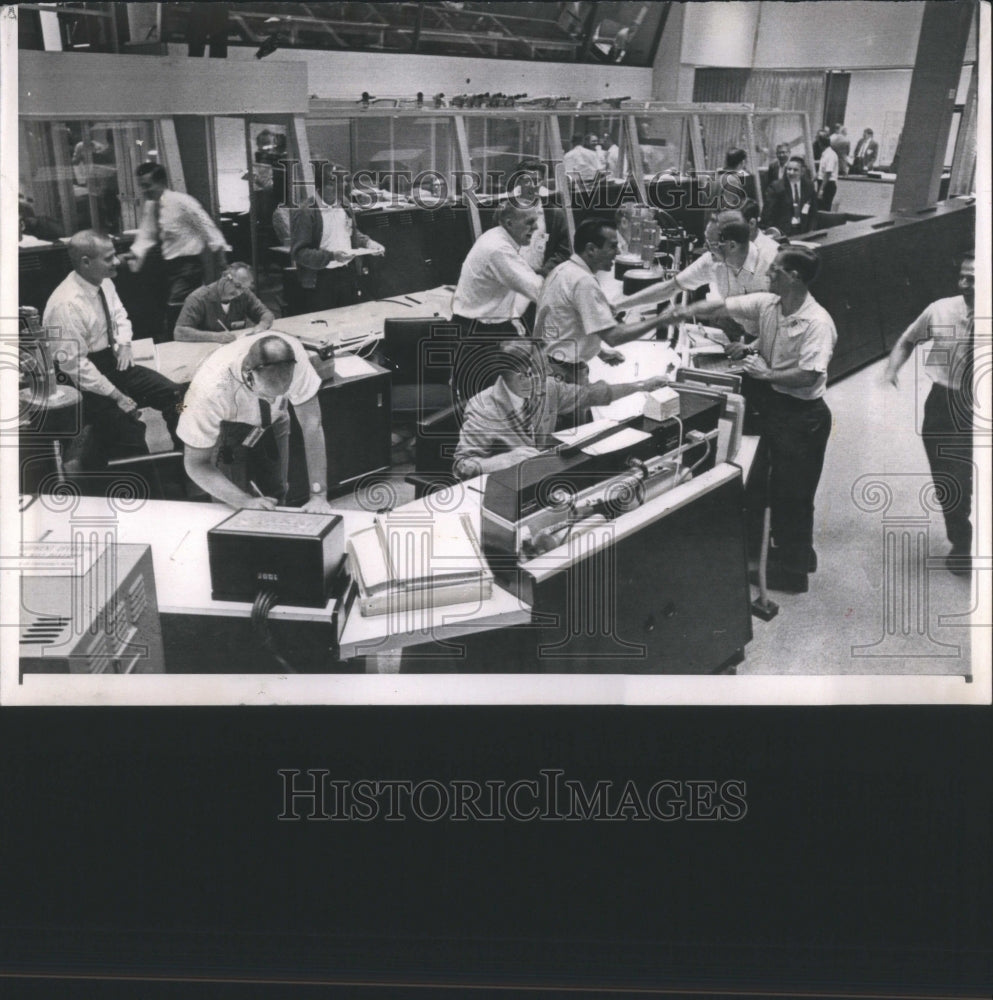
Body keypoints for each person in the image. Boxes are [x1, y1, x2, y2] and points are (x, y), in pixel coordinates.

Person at [661, 246, 837, 593]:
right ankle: (784, 552)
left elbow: (809, 376)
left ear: (793, 277)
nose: (768, 274)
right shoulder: (772, 304)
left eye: (775, 271)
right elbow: (721, 306)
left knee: (794, 495)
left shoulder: (817, 322)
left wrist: (767, 372)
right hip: (776, 406)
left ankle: (793, 571)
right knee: (769, 484)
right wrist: (678, 314)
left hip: (803, 416)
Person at [42, 230, 184, 468]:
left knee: (179, 397)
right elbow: (75, 365)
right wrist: (117, 396)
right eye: (109, 258)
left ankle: (186, 463)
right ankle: (142, 486)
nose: (117, 261)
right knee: (130, 429)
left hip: (111, 360)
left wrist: (125, 343)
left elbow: (119, 315)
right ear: (86, 262)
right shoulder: (65, 304)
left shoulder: (104, 282)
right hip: (80, 380)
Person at [453, 339, 668, 479]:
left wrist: (644, 385)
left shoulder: (547, 388)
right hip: (503, 488)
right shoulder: (483, 409)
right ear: (524, 376)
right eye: (543, 370)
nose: (549, 375)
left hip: (543, 477)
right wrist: (498, 462)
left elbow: (595, 394)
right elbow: (461, 466)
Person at [884, 253, 975, 576]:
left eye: (973, 279)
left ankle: (968, 538)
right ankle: (962, 536)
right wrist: (893, 367)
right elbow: (908, 340)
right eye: (962, 276)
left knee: (964, 478)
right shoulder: (940, 308)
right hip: (942, 403)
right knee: (948, 479)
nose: (963, 284)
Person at [176, 332, 333, 511]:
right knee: (232, 507)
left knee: (276, 492)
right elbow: (195, 464)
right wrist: (244, 501)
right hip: (227, 427)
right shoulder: (210, 388)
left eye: (283, 392)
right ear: (247, 375)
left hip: (273, 421)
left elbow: (312, 425)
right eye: (267, 394)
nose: (273, 401)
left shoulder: (295, 356)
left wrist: (318, 494)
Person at [534, 218, 687, 380]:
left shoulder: (564, 270)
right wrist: (662, 320)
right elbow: (614, 337)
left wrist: (599, 352)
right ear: (591, 249)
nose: (618, 252)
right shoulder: (583, 281)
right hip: (565, 373)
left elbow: (568, 325)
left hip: (551, 365)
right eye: (613, 246)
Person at [615, 216, 773, 341]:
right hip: (750, 333)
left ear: (731, 246)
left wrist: (751, 348)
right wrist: (617, 306)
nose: (706, 248)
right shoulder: (712, 260)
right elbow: (670, 287)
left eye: (711, 244)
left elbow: (785, 321)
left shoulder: (771, 263)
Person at [450, 202, 544, 402]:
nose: (535, 228)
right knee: (482, 405)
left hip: (489, 328)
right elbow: (538, 290)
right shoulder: (498, 249)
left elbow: (526, 285)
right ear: (510, 223)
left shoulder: (498, 238)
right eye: (530, 222)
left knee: (509, 401)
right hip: (478, 336)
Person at [127, 162, 229, 338]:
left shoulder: (183, 202)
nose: (144, 191)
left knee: (178, 307)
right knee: (168, 307)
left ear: (161, 182)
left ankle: (181, 340)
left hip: (188, 267)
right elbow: (147, 233)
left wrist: (221, 259)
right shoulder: (152, 206)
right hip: (167, 266)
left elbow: (207, 228)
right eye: (141, 186)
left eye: (147, 185)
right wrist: (134, 253)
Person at [287, 163, 385, 314]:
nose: (345, 185)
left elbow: (351, 232)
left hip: (347, 275)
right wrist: (332, 256)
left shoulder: (344, 205)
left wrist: (368, 243)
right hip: (321, 280)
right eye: (339, 181)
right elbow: (299, 253)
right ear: (326, 186)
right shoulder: (306, 212)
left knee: (350, 321)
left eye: (345, 181)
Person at [173, 262, 274, 343]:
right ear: (225, 277)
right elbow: (179, 331)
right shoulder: (198, 298)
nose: (238, 293)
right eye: (237, 286)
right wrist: (214, 337)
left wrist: (262, 325)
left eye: (244, 288)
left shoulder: (244, 294)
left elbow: (266, 313)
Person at [508, 160, 571, 277]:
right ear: (518, 182)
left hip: (541, 280)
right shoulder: (505, 212)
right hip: (511, 280)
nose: (532, 186)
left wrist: (544, 273)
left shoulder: (554, 214)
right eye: (527, 181)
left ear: (542, 182)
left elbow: (564, 251)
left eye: (537, 181)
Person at [761, 156, 819, 236]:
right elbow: (767, 213)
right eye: (789, 169)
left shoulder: (809, 186)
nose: (791, 172)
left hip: (804, 230)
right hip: (783, 232)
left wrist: (812, 230)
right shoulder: (776, 187)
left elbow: (813, 211)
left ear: (802, 172)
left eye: (795, 170)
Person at [817, 137, 840, 211]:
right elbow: (822, 170)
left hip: (828, 184)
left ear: (821, 144)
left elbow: (828, 173)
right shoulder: (824, 154)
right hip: (823, 182)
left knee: (824, 208)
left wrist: (821, 190)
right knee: (819, 206)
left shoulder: (830, 155)